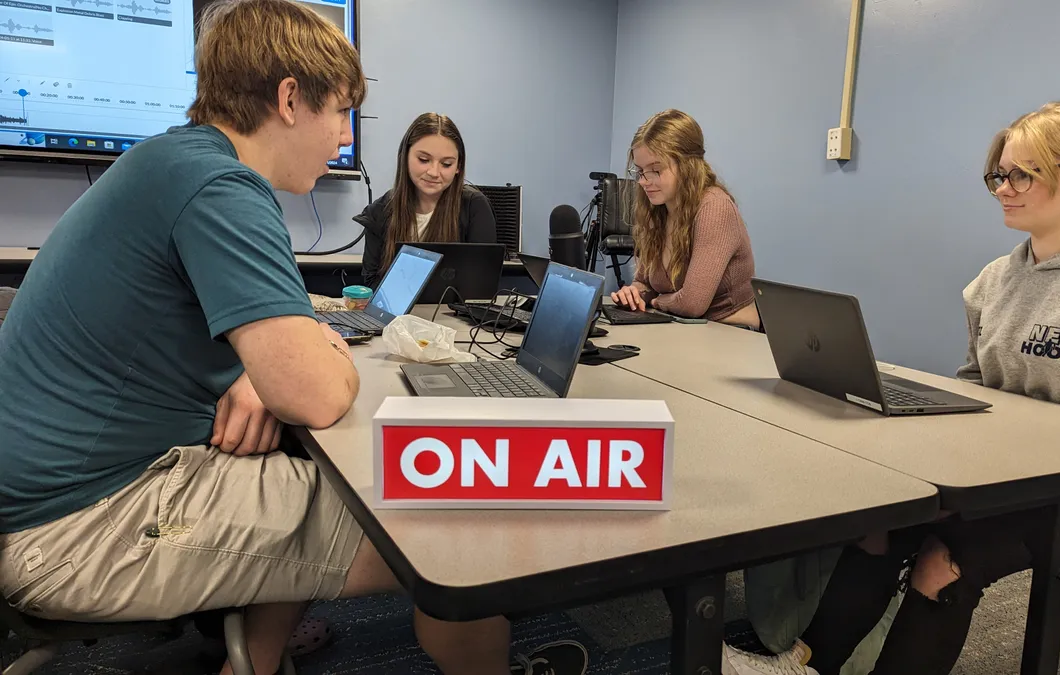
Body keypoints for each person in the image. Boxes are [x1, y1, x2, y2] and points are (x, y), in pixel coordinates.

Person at [0, 2, 585, 675]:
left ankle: (255, 664)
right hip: (80, 528)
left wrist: (269, 364)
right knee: (448, 520)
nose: (342, 136)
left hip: (59, 495)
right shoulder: (221, 187)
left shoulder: (176, 162)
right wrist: (315, 353)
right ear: (288, 99)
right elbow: (317, 393)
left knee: (310, 465)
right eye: (340, 112)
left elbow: (237, 330)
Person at [723, 101, 1060, 675]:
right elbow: (978, 386)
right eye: (999, 175)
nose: (1004, 188)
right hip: (1021, 469)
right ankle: (804, 663)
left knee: (945, 558)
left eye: (1023, 173)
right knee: (881, 524)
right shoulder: (995, 280)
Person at [610, 109, 760, 330]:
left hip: (730, 332)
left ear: (687, 166)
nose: (644, 181)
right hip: (684, 328)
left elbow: (692, 304)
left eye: (656, 170)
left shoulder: (714, 207)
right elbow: (645, 282)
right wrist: (633, 293)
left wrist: (655, 301)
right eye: (641, 171)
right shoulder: (658, 210)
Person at [353, 112, 496, 288]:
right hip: (395, 315)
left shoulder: (474, 206)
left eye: (446, 164)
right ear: (405, 157)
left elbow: (482, 285)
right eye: (424, 160)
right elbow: (372, 283)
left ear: (458, 166)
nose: (434, 172)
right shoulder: (379, 212)